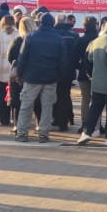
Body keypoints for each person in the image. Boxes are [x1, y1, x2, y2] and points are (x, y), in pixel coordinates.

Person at [14, 14, 65, 143]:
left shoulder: (30, 37)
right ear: (53, 23)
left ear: (39, 22)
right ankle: (43, 133)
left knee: (26, 105)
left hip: (32, 76)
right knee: (47, 107)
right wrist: (60, 75)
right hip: (51, 77)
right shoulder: (58, 38)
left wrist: (19, 74)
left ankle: (22, 132)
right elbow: (63, 60)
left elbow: (22, 58)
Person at [78, 19, 107, 146]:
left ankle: (87, 132)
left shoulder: (95, 41)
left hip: (96, 82)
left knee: (94, 109)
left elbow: (89, 59)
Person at [52, 14, 81, 131]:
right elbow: (77, 53)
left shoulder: (53, 34)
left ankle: (56, 119)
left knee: (54, 95)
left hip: (54, 69)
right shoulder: (74, 35)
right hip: (69, 70)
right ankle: (64, 121)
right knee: (65, 95)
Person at [0, 15, 18, 128]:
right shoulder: (18, 36)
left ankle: (3, 119)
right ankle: (14, 117)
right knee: (14, 95)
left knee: (1, 95)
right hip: (13, 69)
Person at [74, 16, 99, 129]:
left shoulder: (81, 40)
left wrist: (80, 66)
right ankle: (97, 124)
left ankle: (84, 123)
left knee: (85, 99)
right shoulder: (98, 39)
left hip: (84, 72)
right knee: (97, 100)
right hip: (98, 72)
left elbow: (74, 57)